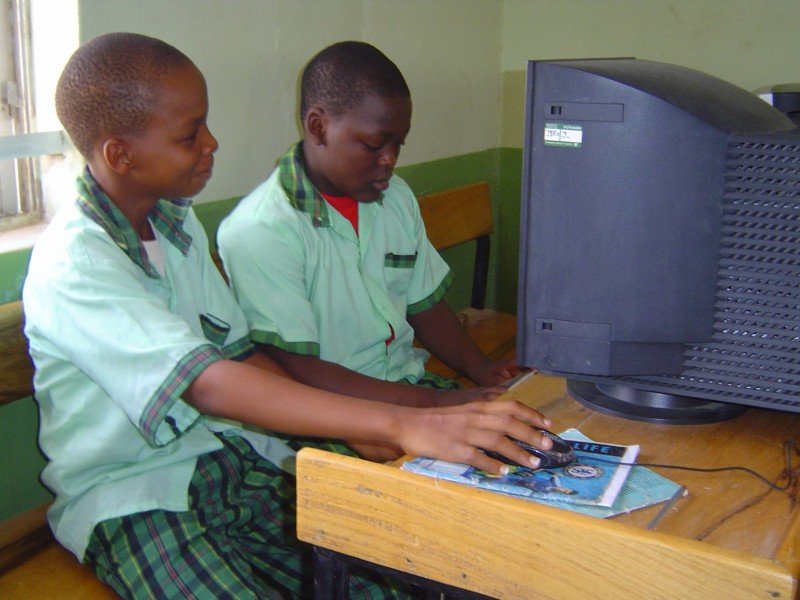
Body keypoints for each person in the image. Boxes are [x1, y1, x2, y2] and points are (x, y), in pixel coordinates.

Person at [23, 32, 554, 600]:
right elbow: (207, 383)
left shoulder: (175, 226)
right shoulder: (76, 262)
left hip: (227, 460)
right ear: (119, 155)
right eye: (189, 134)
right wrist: (398, 421)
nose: (212, 143)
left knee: (390, 577)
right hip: (136, 496)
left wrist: (356, 426)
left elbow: (242, 355)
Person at [217, 42, 524, 437]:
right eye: (374, 145)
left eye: (398, 144)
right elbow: (296, 368)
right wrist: (434, 407)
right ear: (318, 127)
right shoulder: (263, 230)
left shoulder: (394, 198)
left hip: (405, 389)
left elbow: (425, 307)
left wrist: (485, 376)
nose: (390, 160)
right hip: (322, 421)